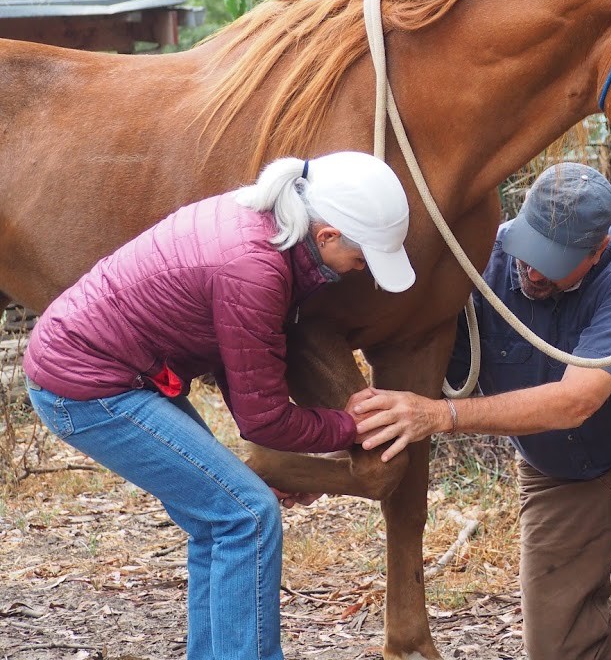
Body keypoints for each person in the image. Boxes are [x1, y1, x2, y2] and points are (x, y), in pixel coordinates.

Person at [22, 151, 416, 660]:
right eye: (362, 258)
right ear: (327, 236)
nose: (363, 271)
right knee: (245, 517)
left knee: (221, 515)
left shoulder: (263, 227)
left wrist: (290, 452)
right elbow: (264, 419)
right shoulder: (255, 268)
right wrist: (352, 427)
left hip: (112, 369)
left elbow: (241, 365)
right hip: (88, 385)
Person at [351, 162, 611, 660]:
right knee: (558, 650)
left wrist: (440, 416)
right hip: (557, 468)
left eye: (555, 261)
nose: (534, 271)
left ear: (597, 250)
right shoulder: (480, 261)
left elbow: (576, 401)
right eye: (529, 250)